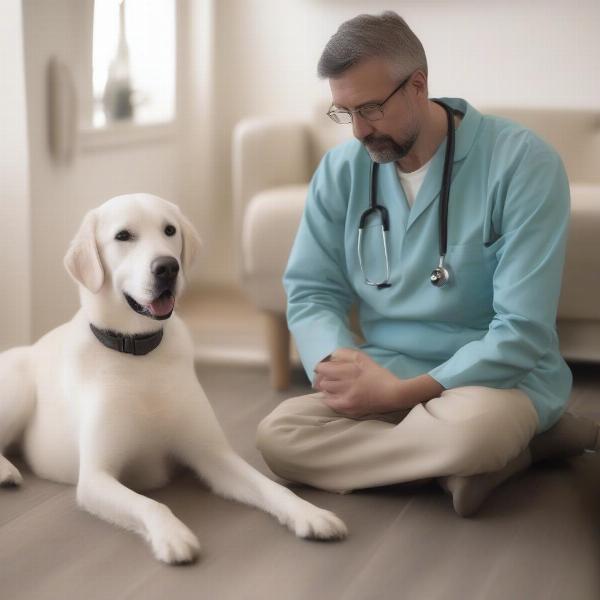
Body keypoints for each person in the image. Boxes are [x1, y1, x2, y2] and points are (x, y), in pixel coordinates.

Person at [256, 11, 599, 517]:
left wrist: (402, 395)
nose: (357, 132)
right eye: (343, 112)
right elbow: (312, 289)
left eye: (370, 109)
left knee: (473, 430)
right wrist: (340, 367)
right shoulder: (341, 169)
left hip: (494, 379)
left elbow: (522, 330)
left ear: (418, 85)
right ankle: (501, 456)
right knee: (278, 436)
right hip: (386, 364)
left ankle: (485, 447)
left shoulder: (522, 163)